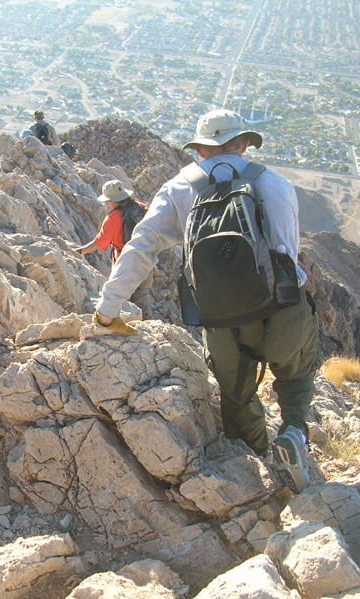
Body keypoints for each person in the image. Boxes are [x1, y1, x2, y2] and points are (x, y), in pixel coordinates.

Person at [92, 109, 319, 494]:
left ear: (198, 150)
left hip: (221, 319)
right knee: (296, 376)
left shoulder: (179, 189)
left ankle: (261, 471)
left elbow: (141, 246)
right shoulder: (275, 184)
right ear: (245, 143)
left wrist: (107, 309)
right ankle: (294, 431)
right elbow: (288, 259)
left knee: (236, 398)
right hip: (282, 313)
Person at [77, 180, 153, 319]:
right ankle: (148, 324)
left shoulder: (113, 218)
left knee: (123, 299)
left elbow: (99, 243)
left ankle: (131, 327)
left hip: (125, 263)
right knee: (142, 296)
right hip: (146, 259)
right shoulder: (141, 208)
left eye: (107, 201)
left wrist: (80, 251)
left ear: (111, 201)